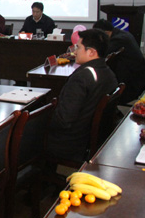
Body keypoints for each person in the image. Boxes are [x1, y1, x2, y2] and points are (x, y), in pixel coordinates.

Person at [47, 29, 117, 163]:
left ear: (91, 52)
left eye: (78, 47)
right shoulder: (109, 73)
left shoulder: (82, 78)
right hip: (91, 138)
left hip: (70, 143)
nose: (75, 52)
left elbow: (64, 120)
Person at [93, 19, 145, 104]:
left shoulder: (118, 39)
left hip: (133, 82)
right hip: (137, 76)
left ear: (105, 33)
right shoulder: (124, 34)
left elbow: (103, 53)